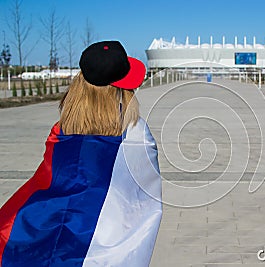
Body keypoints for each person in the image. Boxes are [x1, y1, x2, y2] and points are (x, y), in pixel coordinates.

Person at [0, 41, 162, 267]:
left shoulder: (61, 129)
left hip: (47, 228)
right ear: (122, 90)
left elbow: (48, 183)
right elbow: (140, 199)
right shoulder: (135, 134)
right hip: (103, 241)